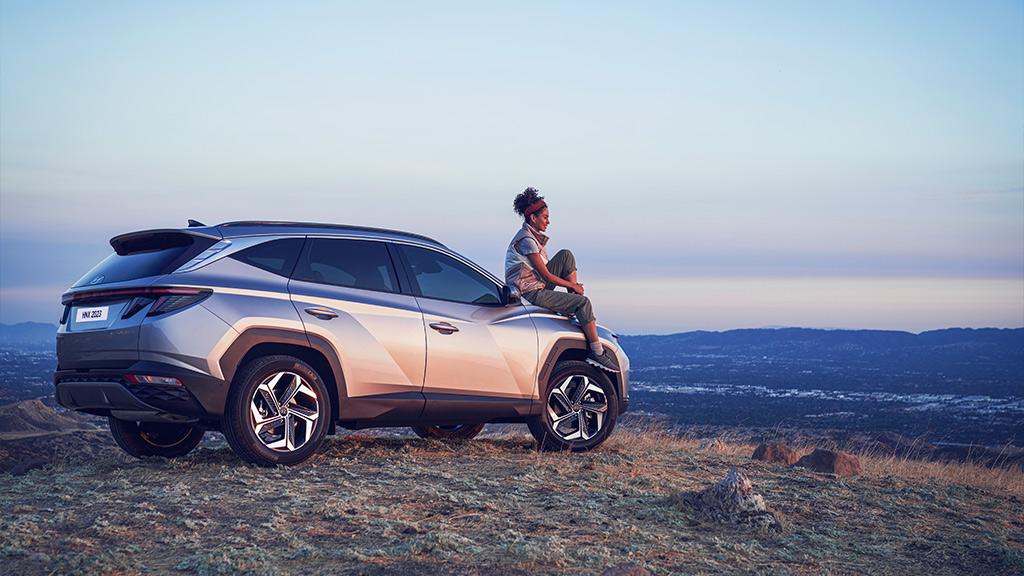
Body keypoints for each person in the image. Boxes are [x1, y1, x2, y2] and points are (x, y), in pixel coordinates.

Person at [505, 187, 619, 373]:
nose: (548, 221)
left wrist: (571, 288)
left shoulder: (531, 237)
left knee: (566, 255)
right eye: (545, 217)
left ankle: (572, 308)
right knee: (583, 302)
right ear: (533, 218)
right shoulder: (527, 241)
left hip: (534, 283)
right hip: (528, 292)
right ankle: (596, 352)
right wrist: (573, 285)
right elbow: (546, 276)